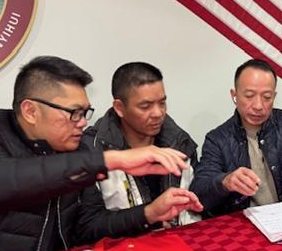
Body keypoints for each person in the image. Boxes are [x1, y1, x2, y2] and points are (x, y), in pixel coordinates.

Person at [0, 56, 202, 251]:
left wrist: (149, 213)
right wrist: (112, 159)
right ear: (31, 111)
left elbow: (89, 226)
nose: (83, 123)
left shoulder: (77, 150)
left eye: (85, 112)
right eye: (73, 113)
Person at [189, 59, 282, 216]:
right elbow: (198, 192)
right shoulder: (218, 139)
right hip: (245, 222)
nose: (258, 106)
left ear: (274, 96)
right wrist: (225, 181)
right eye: (249, 96)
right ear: (234, 95)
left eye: (267, 97)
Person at [77, 62, 198, 239]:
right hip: (121, 250)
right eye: (145, 106)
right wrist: (148, 215)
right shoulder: (92, 150)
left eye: (162, 103)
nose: (158, 113)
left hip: (180, 244)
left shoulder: (180, 142)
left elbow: (198, 204)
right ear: (119, 108)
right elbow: (88, 228)